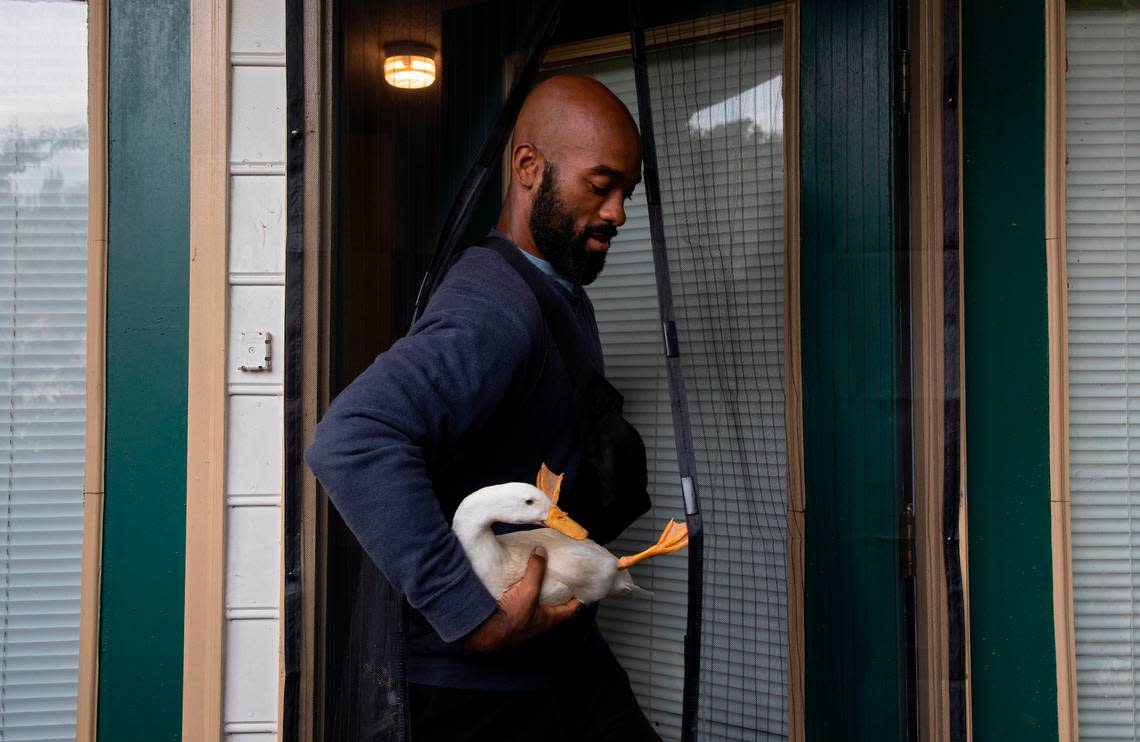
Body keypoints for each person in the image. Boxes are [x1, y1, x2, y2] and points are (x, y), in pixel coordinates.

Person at [304, 74, 660, 741]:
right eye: (600, 184)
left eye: (626, 193)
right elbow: (353, 437)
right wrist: (470, 615)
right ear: (529, 167)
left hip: (562, 663)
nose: (617, 212)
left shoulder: (553, 289)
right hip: (486, 699)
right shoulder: (494, 309)